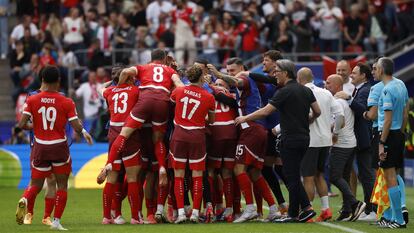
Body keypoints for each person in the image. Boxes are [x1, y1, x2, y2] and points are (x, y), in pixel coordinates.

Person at [235, 59, 320, 223]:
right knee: (293, 175)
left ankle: (296, 213)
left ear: (286, 73)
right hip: (304, 137)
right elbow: (317, 111)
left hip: (290, 138)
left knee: (291, 176)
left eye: (277, 71)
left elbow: (265, 112)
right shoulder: (305, 90)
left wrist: (245, 117)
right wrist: (304, 119)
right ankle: (305, 209)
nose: (274, 75)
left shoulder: (284, 91)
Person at [15, 65, 93, 230]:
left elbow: (21, 124)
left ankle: (25, 200)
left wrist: (36, 126)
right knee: (61, 185)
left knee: (35, 184)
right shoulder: (66, 101)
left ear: (42, 80)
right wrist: (83, 131)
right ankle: (55, 221)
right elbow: (76, 126)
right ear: (58, 81)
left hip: (40, 146)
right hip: (59, 147)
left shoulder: (32, 99)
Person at [99, 49, 183, 194]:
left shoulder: (142, 68)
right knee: (158, 140)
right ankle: (162, 167)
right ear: (164, 59)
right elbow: (179, 84)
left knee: (123, 134)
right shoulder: (169, 71)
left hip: (144, 103)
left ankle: (109, 164)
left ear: (151, 59)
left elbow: (125, 73)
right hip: (162, 103)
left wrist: (119, 87)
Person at [209, 58, 279, 223]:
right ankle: (273, 209)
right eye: (227, 71)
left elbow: (237, 81)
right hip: (258, 130)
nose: (230, 74)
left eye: (232, 70)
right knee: (254, 172)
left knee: (238, 169)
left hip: (251, 129)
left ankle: (249, 209)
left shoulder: (245, 78)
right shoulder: (248, 84)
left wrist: (217, 74)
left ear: (242, 68)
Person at [170, 65, 216, 223]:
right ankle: (196, 213)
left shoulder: (179, 91)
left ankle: (182, 213)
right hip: (197, 136)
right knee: (197, 176)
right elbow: (212, 120)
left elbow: (172, 102)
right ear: (202, 78)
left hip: (179, 135)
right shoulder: (209, 97)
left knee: (179, 176)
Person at [297, 67, 342, 222]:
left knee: (308, 177)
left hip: (310, 140)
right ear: (312, 77)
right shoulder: (326, 92)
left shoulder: (301, 92)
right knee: (319, 175)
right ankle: (326, 210)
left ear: (299, 79)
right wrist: (335, 133)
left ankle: (308, 212)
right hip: (325, 140)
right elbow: (340, 114)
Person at [100, 64, 143, 224]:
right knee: (132, 178)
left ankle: (106, 217)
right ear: (131, 78)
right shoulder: (135, 90)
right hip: (130, 134)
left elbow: (100, 89)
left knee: (111, 178)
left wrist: (111, 83)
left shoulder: (109, 91)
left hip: (113, 134)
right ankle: (134, 217)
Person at [334, 63, 376, 220]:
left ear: (363, 76)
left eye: (354, 72)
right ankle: (367, 209)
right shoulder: (361, 89)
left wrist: (349, 99)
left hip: (364, 138)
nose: (351, 75)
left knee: (367, 175)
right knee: (364, 175)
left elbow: (363, 109)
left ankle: (373, 209)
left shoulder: (365, 90)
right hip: (360, 138)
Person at [325, 74, 366, 222]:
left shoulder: (337, 102)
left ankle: (355, 204)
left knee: (335, 176)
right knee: (345, 177)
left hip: (341, 144)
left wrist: (333, 132)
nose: (325, 85)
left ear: (337, 86)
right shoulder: (344, 101)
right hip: (350, 143)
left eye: (328, 83)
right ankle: (347, 209)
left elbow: (339, 119)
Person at [376, 57, 408, 228]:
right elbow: (405, 111)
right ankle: (393, 217)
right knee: (393, 175)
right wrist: (401, 133)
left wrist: (382, 142)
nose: (375, 71)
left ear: (381, 70)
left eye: (376, 68)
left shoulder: (387, 90)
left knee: (389, 177)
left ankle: (399, 219)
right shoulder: (401, 84)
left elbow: (387, 120)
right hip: (398, 134)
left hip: (388, 135)